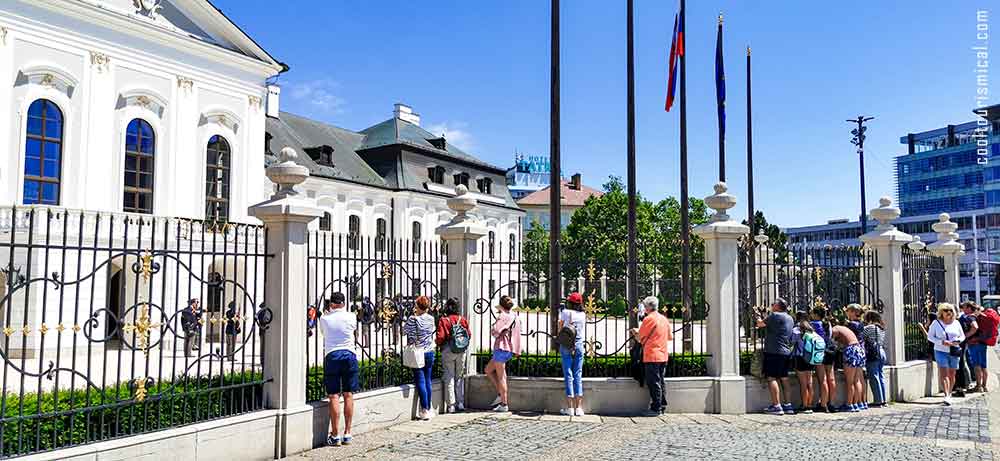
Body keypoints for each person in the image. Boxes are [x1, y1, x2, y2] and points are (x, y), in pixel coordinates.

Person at [319, 292, 358, 447]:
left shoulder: (324, 318)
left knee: (333, 396)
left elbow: (323, 333)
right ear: (343, 303)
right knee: (348, 394)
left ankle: (335, 435)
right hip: (349, 354)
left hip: (332, 355)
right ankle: (347, 433)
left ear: (332, 304)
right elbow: (353, 329)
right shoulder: (351, 316)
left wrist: (328, 313)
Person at [631, 296, 673, 417]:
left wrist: (635, 332)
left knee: (653, 382)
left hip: (651, 355)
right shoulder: (664, 319)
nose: (644, 308)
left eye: (645, 306)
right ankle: (662, 405)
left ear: (649, 307)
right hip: (663, 354)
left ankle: (656, 408)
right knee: (661, 381)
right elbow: (670, 337)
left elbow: (640, 337)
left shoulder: (649, 319)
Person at [756, 298, 794, 415]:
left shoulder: (775, 316)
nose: (772, 305)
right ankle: (788, 405)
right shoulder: (789, 318)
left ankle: (776, 406)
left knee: (771, 378)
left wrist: (757, 315)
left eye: (774, 304)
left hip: (774, 351)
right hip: (786, 352)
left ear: (778, 306)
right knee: (784, 378)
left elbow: (760, 324)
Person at [404, 295, 437, 420]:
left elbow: (406, 331)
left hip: (418, 352)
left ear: (417, 306)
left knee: (421, 381)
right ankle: (429, 407)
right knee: (428, 380)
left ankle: (425, 409)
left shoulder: (413, 319)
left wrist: (413, 315)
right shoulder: (431, 319)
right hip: (429, 351)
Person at [435, 297, 470, 414]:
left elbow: (440, 337)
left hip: (448, 350)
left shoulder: (444, 320)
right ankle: (461, 402)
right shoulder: (462, 319)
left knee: (449, 376)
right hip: (461, 350)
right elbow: (468, 334)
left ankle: (451, 405)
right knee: (459, 376)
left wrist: (438, 344)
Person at [486, 295, 520, 412]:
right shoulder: (514, 316)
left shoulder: (502, 316)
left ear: (501, 305)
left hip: (501, 347)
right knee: (488, 370)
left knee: (501, 377)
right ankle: (501, 394)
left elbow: (495, 331)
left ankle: (504, 403)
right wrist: (517, 350)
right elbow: (517, 334)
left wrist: (494, 327)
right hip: (509, 348)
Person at [928, 303, 965, 406]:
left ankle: (949, 393)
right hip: (940, 350)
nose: (948, 312)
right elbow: (930, 337)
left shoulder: (956, 323)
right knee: (944, 373)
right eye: (946, 310)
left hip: (954, 350)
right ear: (941, 312)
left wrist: (958, 341)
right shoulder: (936, 323)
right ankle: (946, 395)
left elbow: (962, 336)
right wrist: (941, 342)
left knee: (952, 373)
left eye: (951, 310)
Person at [559, 292, 587, 416]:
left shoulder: (565, 312)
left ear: (569, 302)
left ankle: (570, 408)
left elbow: (560, 328)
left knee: (568, 374)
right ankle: (579, 407)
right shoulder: (583, 314)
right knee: (578, 374)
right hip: (579, 345)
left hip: (566, 345)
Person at [831, 322, 866, 412]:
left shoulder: (835, 329)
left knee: (850, 382)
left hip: (851, 350)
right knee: (857, 380)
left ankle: (849, 404)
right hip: (859, 349)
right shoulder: (844, 329)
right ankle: (859, 403)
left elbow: (832, 343)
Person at [810, 307, 836, 413]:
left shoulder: (814, 324)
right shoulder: (828, 323)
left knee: (823, 379)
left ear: (816, 314)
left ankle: (823, 404)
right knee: (831, 378)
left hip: (820, 351)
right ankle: (831, 403)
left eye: (812, 313)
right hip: (830, 350)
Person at [969, 303, 999, 393]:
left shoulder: (978, 318)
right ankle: (984, 386)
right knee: (984, 366)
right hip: (984, 343)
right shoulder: (988, 317)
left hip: (975, 343)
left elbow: (975, 328)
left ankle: (978, 386)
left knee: (976, 365)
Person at [844, 304, 868, 410]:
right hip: (861, 350)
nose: (846, 313)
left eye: (848, 311)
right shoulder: (861, 323)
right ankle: (861, 402)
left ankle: (852, 403)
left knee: (851, 381)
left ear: (853, 312)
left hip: (853, 350)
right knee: (859, 379)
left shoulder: (852, 324)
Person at [862, 311, 887, 407]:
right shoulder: (881, 328)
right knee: (880, 376)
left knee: (873, 376)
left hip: (873, 353)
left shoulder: (869, 328)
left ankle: (878, 400)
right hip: (881, 351)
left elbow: (862, 336)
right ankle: (883, 399)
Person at [791, 312, 815, 414]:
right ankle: (810, 405)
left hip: (800, 357)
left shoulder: (796, 330)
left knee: (803, 384)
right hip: (810, 357)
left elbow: (791, 341)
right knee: (810, 383)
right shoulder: (811, 329)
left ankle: (805, 406)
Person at [955, 302, 979, 396]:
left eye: (964, 307)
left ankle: (965, 384)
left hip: (963, 343)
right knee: (964, 362)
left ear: (969, 308)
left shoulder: (969, 317)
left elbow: (975, 327)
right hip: (965, 343)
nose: (962, 308)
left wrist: (965, 336)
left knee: (962, 363)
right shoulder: (968, 316)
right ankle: (967, 383)